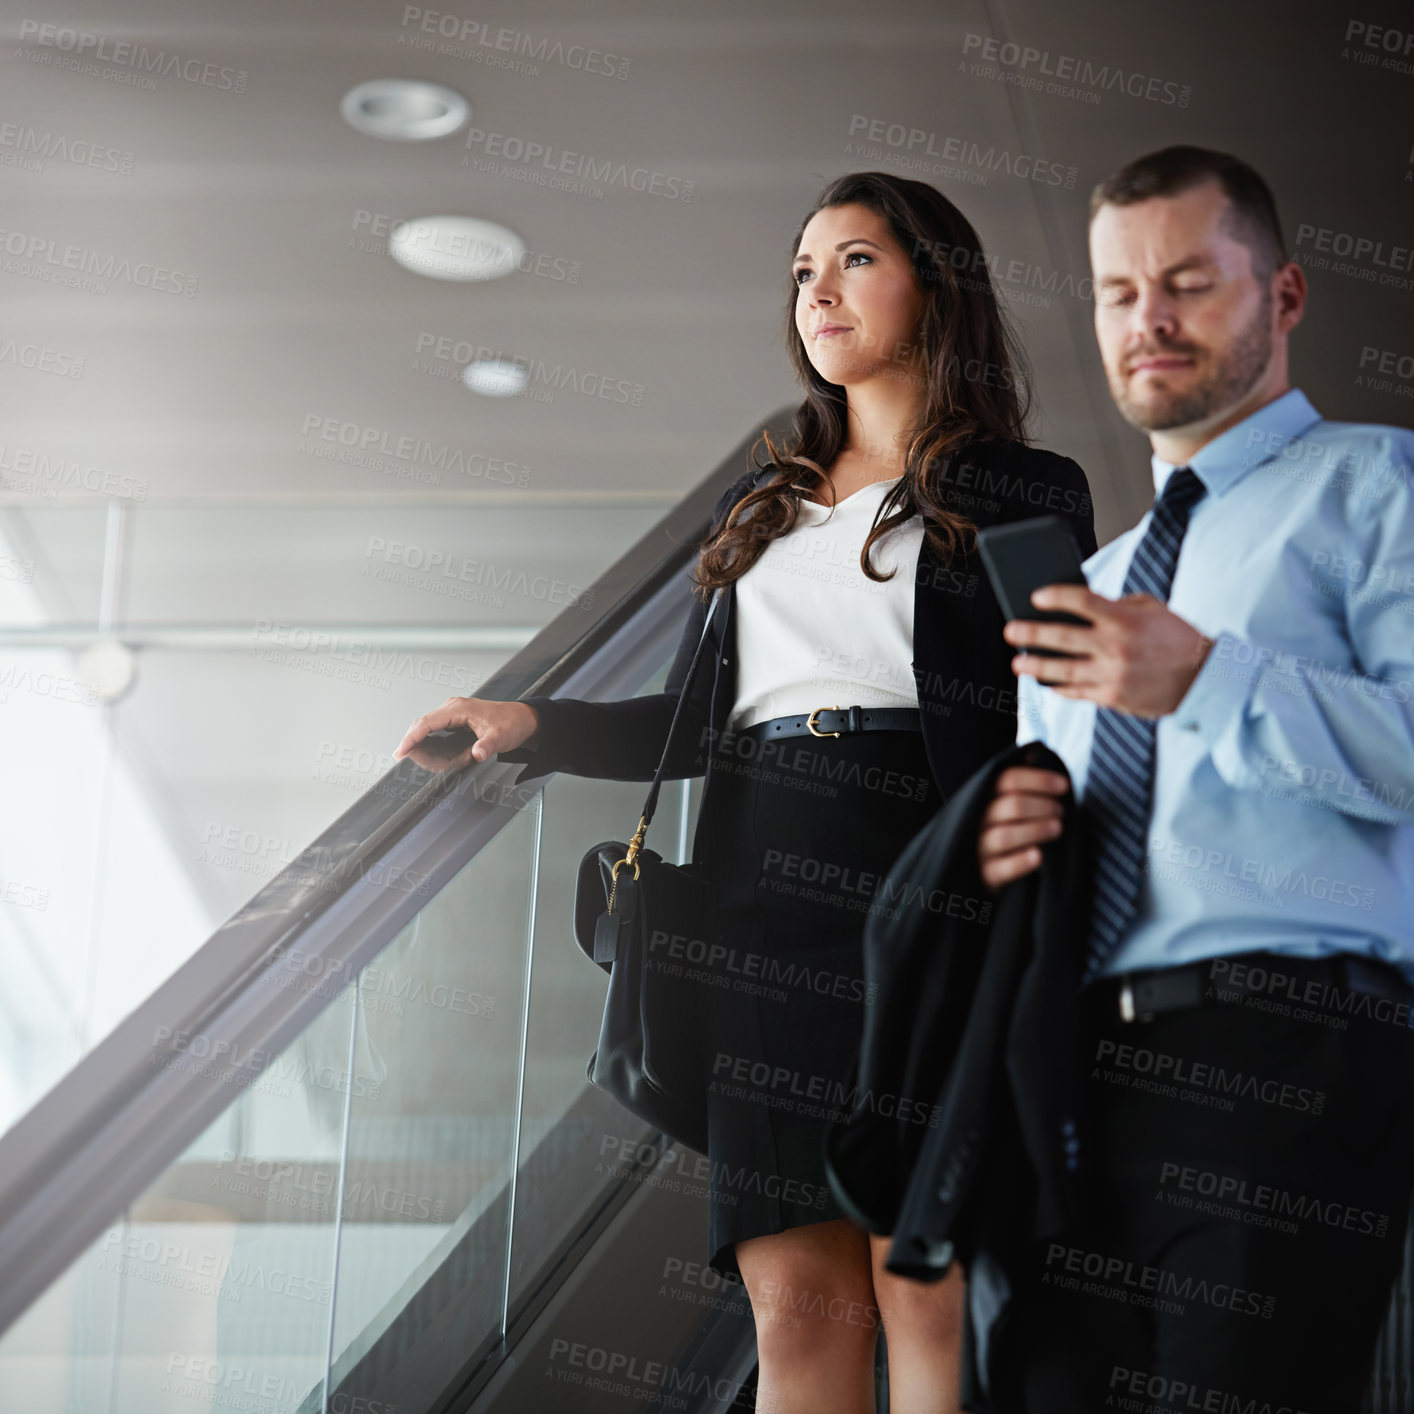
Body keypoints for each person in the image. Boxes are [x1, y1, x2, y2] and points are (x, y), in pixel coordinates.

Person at [395, 170, 1095, 1414]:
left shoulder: (1021, 489)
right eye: (801, 274)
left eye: (856, 262)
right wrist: (528, 723)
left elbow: (1064, 710)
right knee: (796, 1312)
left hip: (932, 888)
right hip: (757, 897)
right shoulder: (760, 505)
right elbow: (691, 724)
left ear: (937, 284)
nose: (817, 293)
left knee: (920, 1290)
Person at [976, 144, 1414, 1412]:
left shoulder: (1376, 484)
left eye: (1185, 284)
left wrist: (1209, 681)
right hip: (1069, 1072)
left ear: (1281, 297)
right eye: (1117, 293)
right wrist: (1009, 842)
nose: (1146, 321)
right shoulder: (1093, 582)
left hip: (1287, 1053)